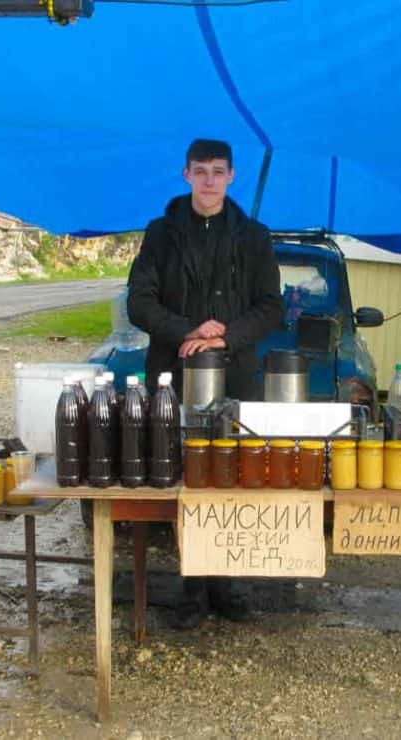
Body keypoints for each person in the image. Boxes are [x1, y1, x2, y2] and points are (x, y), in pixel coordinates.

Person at [128, 138, 283, 630]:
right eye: (201, 171)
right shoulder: (161, 234)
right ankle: (192, 586)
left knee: (233, 477)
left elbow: (270, 306)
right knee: (183, 478)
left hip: (235, 374)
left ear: (232, 176)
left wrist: (227, 335)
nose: (210, 180)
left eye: (219, 171)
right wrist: (188, 331)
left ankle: (228, 582)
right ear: (186, 174)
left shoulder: (254, 236)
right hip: (173, 374)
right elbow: (140, 301)